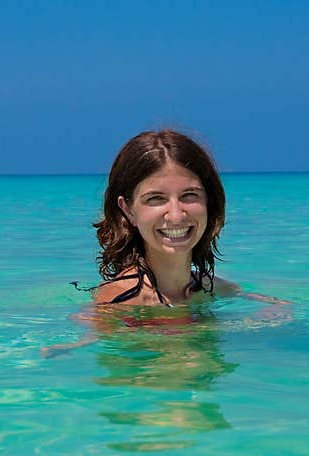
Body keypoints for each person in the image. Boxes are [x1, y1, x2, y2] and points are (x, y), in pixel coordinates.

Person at [41, 128, 290, 357]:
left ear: (209, 203)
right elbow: (92, 331)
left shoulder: (212, 287)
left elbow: (278, 307)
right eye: (156, 199)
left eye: (189, 195)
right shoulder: (120, 299)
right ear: (128, 210)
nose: (176, 215)